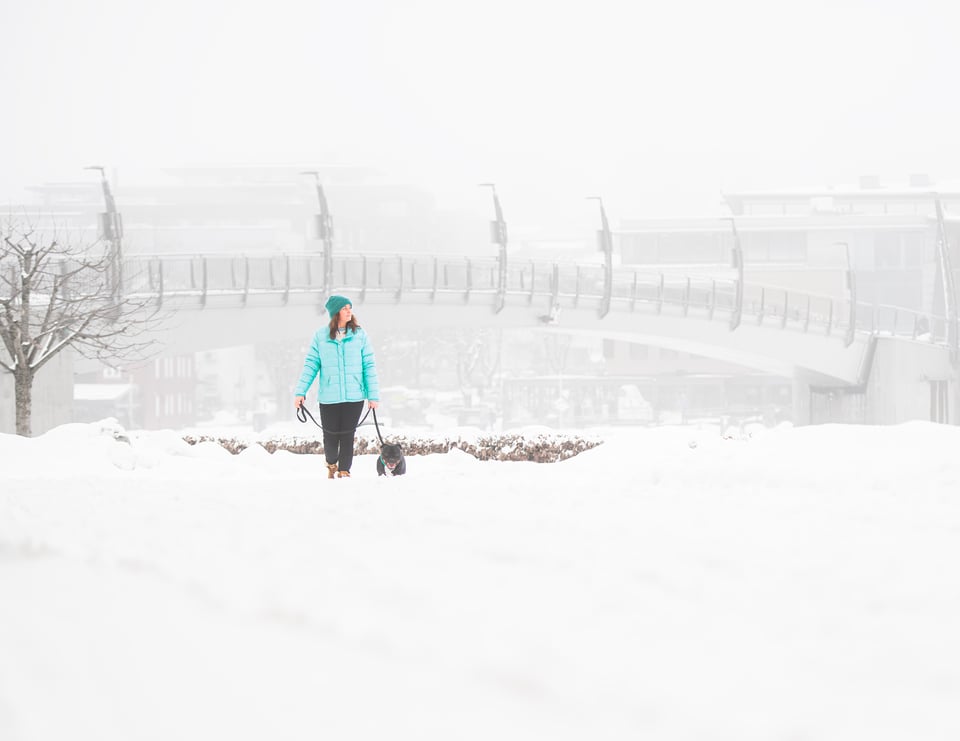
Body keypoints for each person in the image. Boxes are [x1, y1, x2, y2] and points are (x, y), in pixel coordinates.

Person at [294, 295, 380, 479]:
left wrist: (373, 396)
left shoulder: (360, 335)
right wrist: (300, 392)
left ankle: (344, 470)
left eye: (350, 307)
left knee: (348, 435)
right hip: (329, 397)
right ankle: (332, 463)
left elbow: (369, 366)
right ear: (335, 313)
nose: (349, 311)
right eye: (345, 308)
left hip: (354, 396)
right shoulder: (320, 336)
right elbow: (311, 365)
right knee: (331, 437)